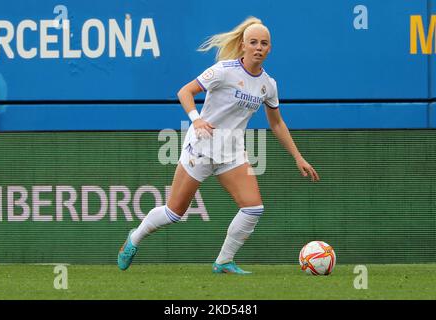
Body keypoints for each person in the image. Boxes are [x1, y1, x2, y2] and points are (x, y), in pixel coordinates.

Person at [118, 16, 320, 274]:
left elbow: (277, 124)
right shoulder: (224, 70)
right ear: (243, 45)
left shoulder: (268, 85)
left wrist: (298, 157)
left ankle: (223, 261)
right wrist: (197, 119)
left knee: (253, 208)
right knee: (174, 213)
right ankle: (134, 239)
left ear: (270, 49)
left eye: (264, 43)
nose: (259, 47)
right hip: (201, 147)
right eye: (253, 42)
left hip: (232, 153)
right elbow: (185, 92)